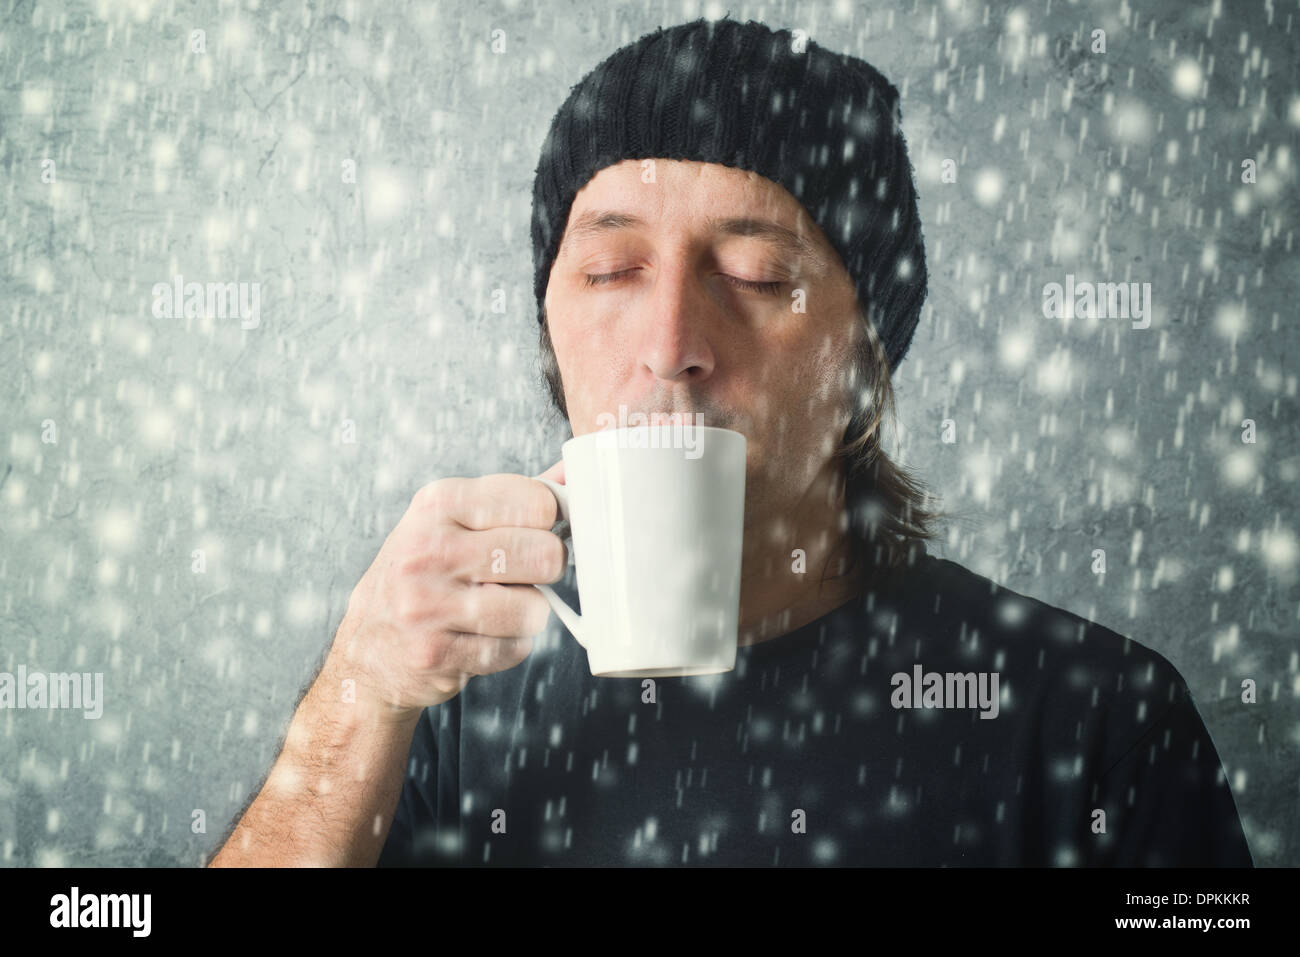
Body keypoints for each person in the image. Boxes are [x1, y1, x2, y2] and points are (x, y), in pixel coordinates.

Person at [208, 16, 1252, 868]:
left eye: (756, 278)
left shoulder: (1100, 721)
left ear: (865, 365)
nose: (669, 345)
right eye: (611, 272)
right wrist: (358, 693)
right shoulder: (439, 699)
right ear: (548, 335)